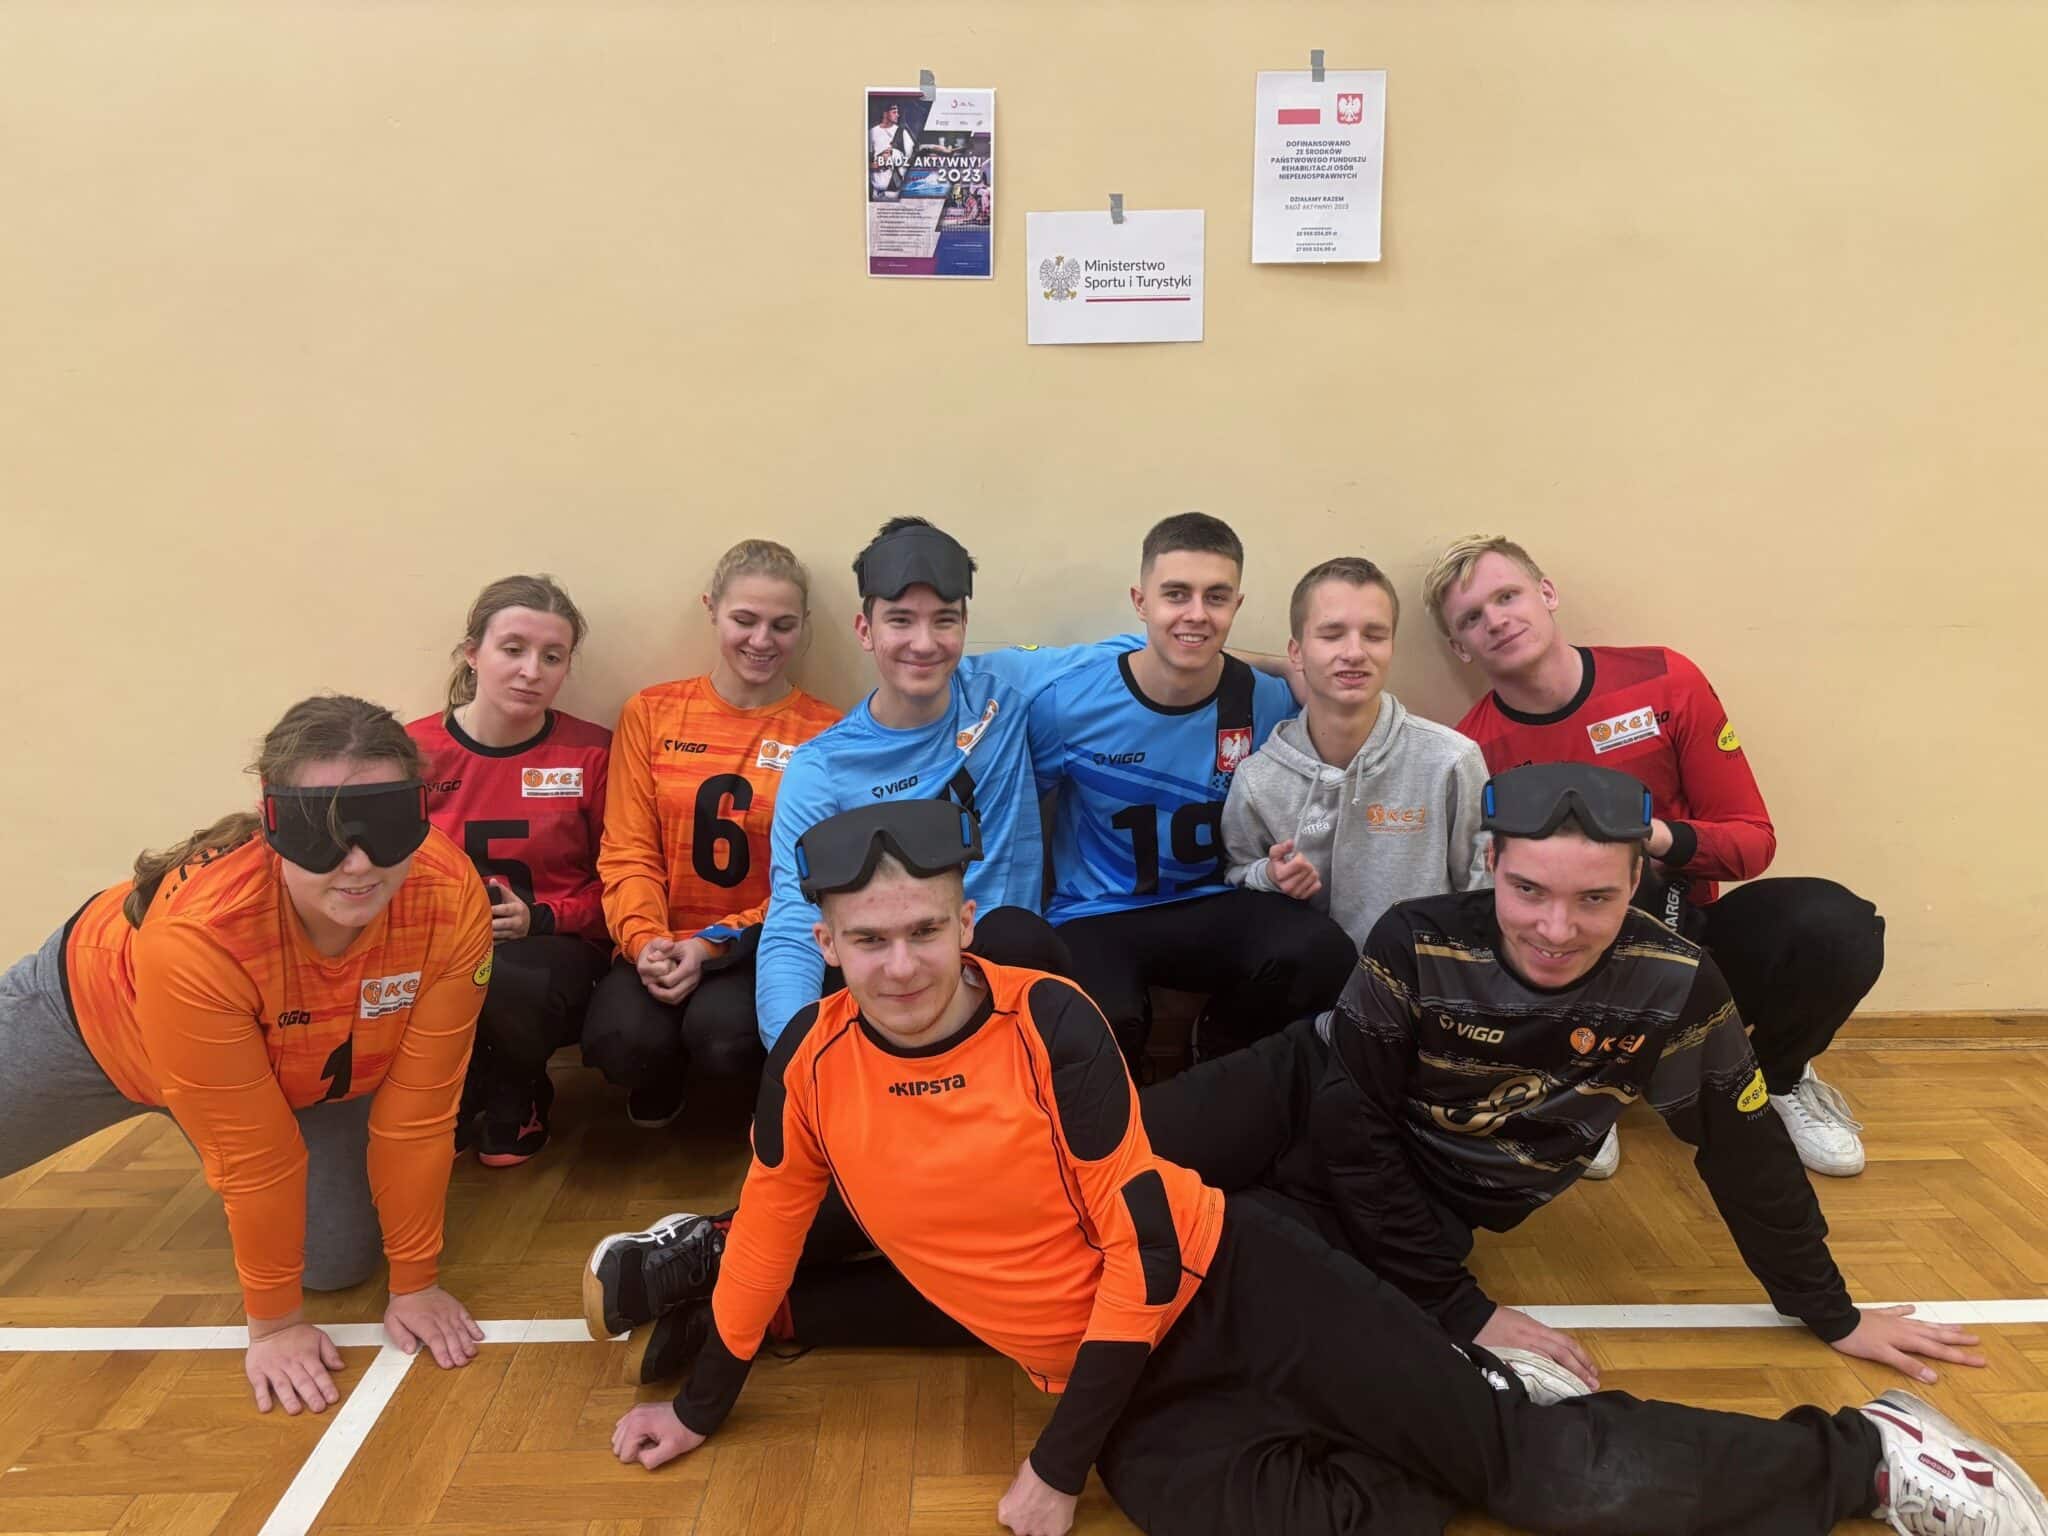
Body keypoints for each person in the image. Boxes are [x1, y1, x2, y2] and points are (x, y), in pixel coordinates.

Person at [595, 802, 2044, 1536]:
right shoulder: (813, 1064)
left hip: (1223, 1286)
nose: (902, 964)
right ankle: (1440, 1401)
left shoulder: (1052, 1028)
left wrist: (1052, 1468)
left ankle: (1866, 1459)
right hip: (1118, 1381)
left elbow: (1142, 1258)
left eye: (926, 930)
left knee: (1524, 1479)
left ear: (966, 922)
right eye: (868, 940)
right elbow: (771, 1225)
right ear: (827, 944)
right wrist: (701, 1407)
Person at [1138, 763, 1982, 1396]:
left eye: (1595, 900)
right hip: (1297, 1089)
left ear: (1637, 884)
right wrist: (1459, 1305)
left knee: (1195, 1274)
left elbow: (1744, 1147)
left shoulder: (1676, 984)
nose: (1556, 929)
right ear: (1491, 861)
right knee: (1092, 1168)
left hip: (1426, 1189)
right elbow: (1348, 1121)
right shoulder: (1415, 938)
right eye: (1528, 890)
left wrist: (1830, 1310)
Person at [0, 695, 490, 1416]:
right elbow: (254, 1157)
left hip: (284, 1068)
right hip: (96, 1020)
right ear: (273, 823)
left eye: (385, 826)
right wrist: (275, 1327)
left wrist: (415, 1283)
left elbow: (418, 1117)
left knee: (335, 1261)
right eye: (323, 834)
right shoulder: (202, 930)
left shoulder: (447, 898)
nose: (358, 864)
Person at [1425, 534, 1886, 1178]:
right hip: (1574, 959)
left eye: (1508, 596)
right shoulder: (1467, 751)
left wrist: (1653, 838)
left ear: (1547, 594)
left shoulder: (1663, 679)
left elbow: (1752, 841)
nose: (1496, 620)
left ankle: (1778, 1078)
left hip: (1690, 928)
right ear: (1460, 648)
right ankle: (1584, 1089)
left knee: (1839, 924)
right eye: (1472, 617)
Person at [751, 516, 1115, 1048]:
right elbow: (792, 924)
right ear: (865, 630)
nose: (924, 643)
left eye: (944, 620)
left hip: (995, 967)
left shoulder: (1002, 692)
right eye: (900, 621)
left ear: (964, 625)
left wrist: (1251, 669)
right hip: (889, 978)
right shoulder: (821, 768)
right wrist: (794, 1061)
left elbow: (1146, 657)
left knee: (1014, 933)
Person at [1031, 514, 1354, 1064]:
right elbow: (1017, 817)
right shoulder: (1068, 705)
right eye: (1176, 594)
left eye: (1216, 597)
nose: (1197, 614)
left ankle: (1218, 1043)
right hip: (1096, 913)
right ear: (1140, 601)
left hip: (1215, 902)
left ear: (1237, 605)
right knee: (1103, 1023)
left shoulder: (1269, 701)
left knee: (1321, 951)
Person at [588, 540, 840, 1127]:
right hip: (661, 937)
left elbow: (813, 879)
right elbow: (628, 851)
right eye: (744, 620)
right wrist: (644, 942)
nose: (762, 641)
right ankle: (661, 1073)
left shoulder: (826, 731)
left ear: (804, 625)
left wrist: (713, 944)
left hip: (760, 943)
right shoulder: (650, 712)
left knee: (725, 1039)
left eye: (783, 625)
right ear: (711, 609)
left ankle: (738, 1088)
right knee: (620, 1041)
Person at [408, 574, 611, 1166]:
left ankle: (518, 1088)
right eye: (513, 649)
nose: (531, 671)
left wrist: (544, 916)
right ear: (473, 653)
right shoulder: (414, 752)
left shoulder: (593, 752)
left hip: (556, 948)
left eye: (552, 656)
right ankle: (457, 1089)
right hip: (440, 945)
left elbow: (627, 877)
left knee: (503, 976)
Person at [1222, 554, 1489, 952]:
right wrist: (1270, 876)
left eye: (1374, 635)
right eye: (1332, 634)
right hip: (1310, 982)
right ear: (1296, 652)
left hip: (1424, 979)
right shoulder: (1258, 779)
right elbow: (1237, 875)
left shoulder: (1451, 760)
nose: (1354, 652)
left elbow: (1482, 889)